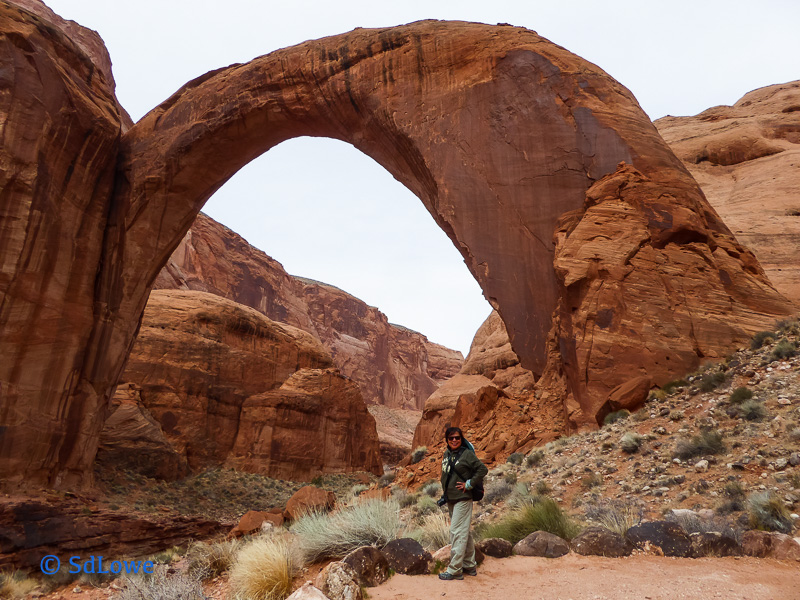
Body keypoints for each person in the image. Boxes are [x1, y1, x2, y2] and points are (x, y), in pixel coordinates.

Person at [438, 426, 487, 580]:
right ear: (447, 440)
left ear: (461, 439)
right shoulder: (447, 454)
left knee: (456, 532)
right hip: (451, 499)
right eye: (451, 438)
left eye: (457, 438)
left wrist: (469, 484)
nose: (454, 440)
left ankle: (455, 570)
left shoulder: (466, 454)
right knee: (464, 531)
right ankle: (469, 565)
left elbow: (482, 469)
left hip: (463, 499)